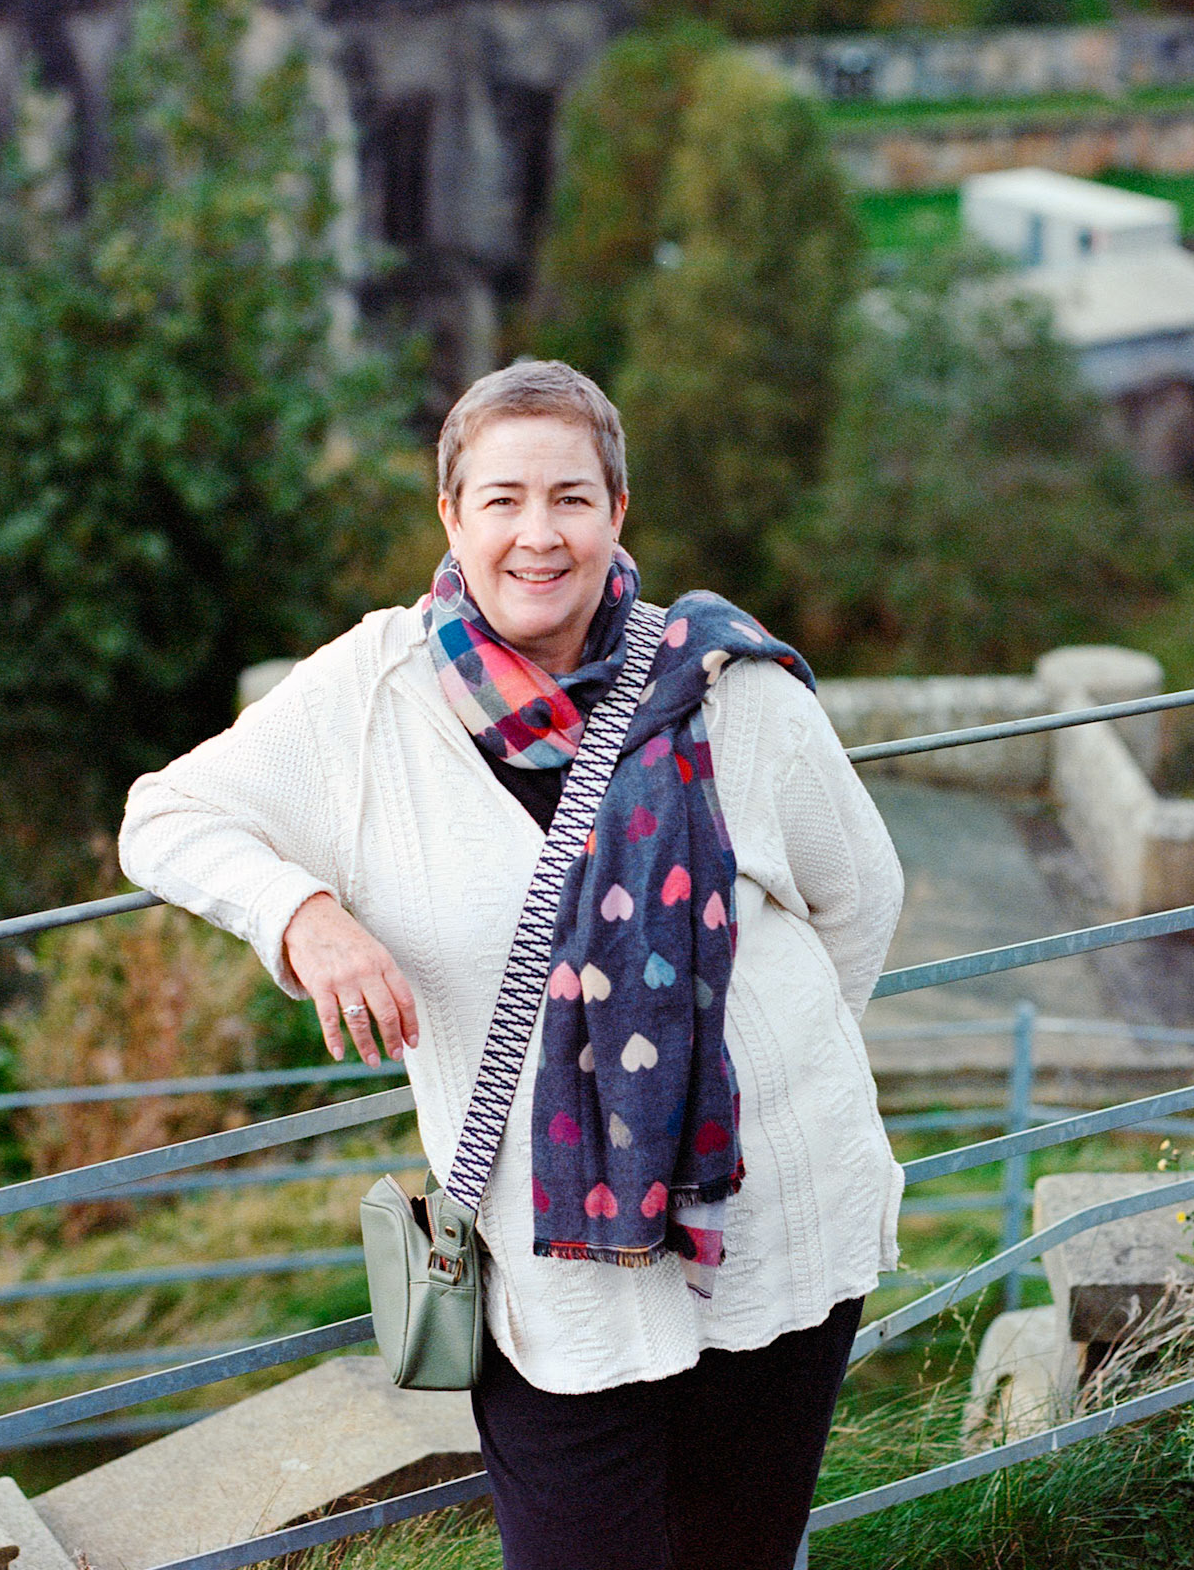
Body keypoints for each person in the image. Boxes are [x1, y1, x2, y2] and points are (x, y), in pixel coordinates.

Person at [118, 359, 905, 1570]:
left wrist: (733, 1086)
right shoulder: (368, 699)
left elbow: (860, 897)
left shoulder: (726, 684)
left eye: (571, 497)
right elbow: (163, 816)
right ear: (451, 515)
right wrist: (301, 913)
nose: (539, 533)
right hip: (550, 1267)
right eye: (502, 498)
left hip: (771, 1218)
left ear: (617, 512)